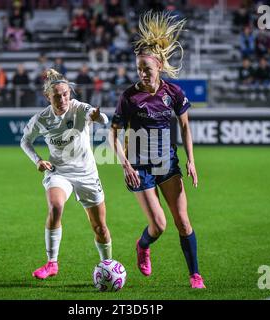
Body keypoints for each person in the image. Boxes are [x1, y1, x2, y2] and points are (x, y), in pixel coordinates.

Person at [108, 10, 205, 289]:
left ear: (159, 66)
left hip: (168, 163)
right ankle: (143, 244)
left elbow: (185, 128)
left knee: (183, 223)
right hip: (139, 167)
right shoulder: (129, 96)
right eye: (138, 69)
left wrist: (191, 161)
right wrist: (125, 164)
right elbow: (112, 134)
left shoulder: (173, 93)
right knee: (159, 225)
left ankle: (195, 275)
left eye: (147, 69)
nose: (142, 74)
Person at [21, 68, 113, 280]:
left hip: (87, 173)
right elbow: (24, 141)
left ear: (69, 94)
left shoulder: (79, 108)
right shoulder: (42, 119)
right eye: (56, 96)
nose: (62, 99)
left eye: (65, 94)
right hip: (59, 171)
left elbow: (102, 119)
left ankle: (108, 264)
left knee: (100, 227)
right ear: (48, 97)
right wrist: (37, 160)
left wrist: (98, 117)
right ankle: (52, 263)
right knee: (56, 205)